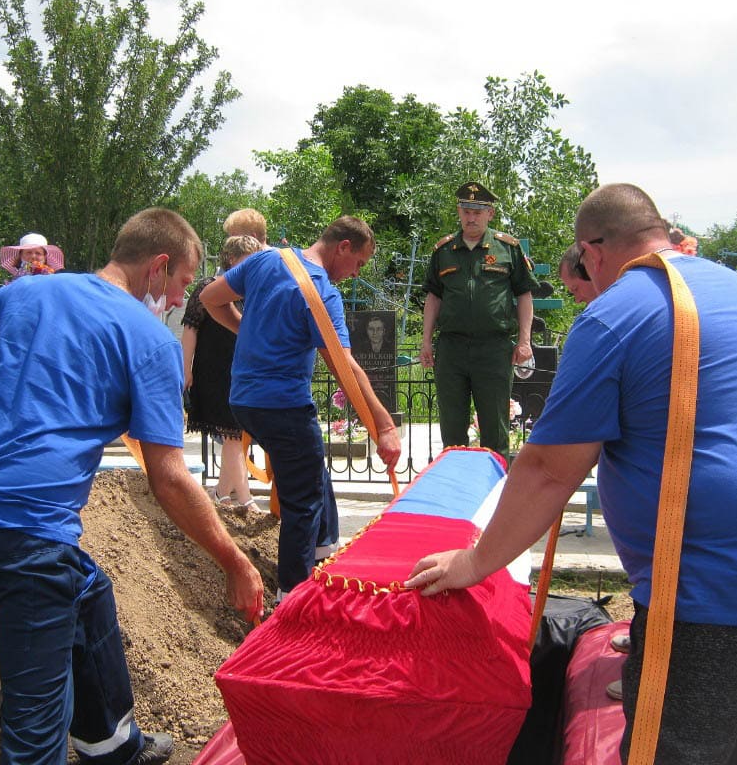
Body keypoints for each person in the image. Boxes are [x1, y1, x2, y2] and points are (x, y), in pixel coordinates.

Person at [407, 183, 737, 765]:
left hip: (720, 583)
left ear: (591, 253)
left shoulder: (615, 314)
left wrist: (474, 561)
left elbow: (547, 469)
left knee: (665, 753)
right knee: (723, 747)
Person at [0, 207, 264, 765]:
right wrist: (236, 563)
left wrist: (6, 341)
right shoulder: (150, 341)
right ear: (157, 266)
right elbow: (169, 478)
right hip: (27, 530)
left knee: (89, 591)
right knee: (35, 721)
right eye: (181, 285)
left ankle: (112, 743)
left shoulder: (27, 295)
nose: (176, 301)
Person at [201, 216, 402, 602]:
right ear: (343, 246)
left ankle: (324, 557)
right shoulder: (321, 293)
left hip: (243, 400)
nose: (355, 274)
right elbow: (346, 369)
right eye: (358, 263)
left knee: (311, 475)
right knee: (304, 501)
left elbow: (211, 297)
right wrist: (384, 423)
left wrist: (245, 330)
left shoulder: (267, 260)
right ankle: (291, 596)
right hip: (284, 406)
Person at [420, 181, 537, 457]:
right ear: (459, 212)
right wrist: (425, 341)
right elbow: (433, 298)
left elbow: (524, 295)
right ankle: (455, 494)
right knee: (452, 430)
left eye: (477, 211)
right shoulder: (443, 250)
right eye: (466, 211)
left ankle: (495, 495)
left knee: (495, 430)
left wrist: (524, 341)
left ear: (490, 214)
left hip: (494, 348)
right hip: (452, 349)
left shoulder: (508, 248)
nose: (471, 218)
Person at [183, 235, 266, 511]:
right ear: (232, 258)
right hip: (213, 372)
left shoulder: (250, 291)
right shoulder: (208, 287)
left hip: (241, 372)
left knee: (237, 435)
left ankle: (220, 493)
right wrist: (186, 369)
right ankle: (245, 499)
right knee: (232, 434)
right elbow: (190, 328)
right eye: (248, 258)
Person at [0, 232, 65, 279]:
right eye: (29, 252)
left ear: (44, 256)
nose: (33, 256)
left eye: (38, 253)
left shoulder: (51, 276)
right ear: (21, 255)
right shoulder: (18, 275)